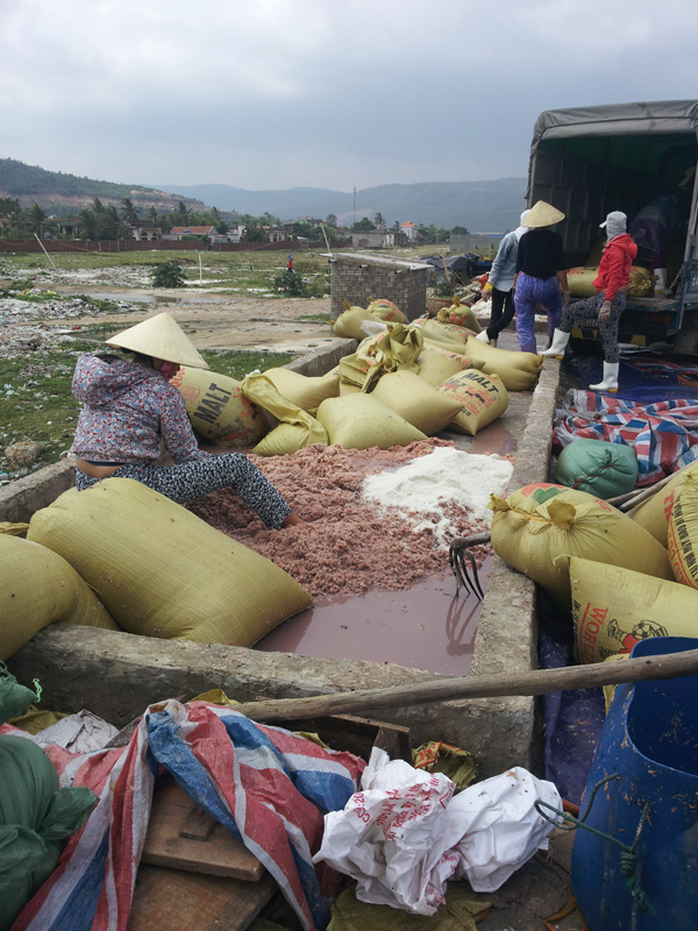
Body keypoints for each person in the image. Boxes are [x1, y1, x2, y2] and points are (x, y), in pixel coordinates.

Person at [70, 312, 302, 529]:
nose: (178, 370)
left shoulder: (108, 379)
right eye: (175, 362)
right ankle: (292, 524)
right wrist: (235, 469)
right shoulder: (163, 393)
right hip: (128, 482)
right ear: (161, 361)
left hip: (83, 479)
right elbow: (186, 456)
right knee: (238, 466)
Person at [541, 211, 638, 393]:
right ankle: (558, 348)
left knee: (608, 337)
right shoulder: (623, 245)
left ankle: (610, 381)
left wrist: (607, 304)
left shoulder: (617, 248)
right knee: (571, 312)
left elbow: (615, 277)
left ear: (612, 228)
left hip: (611, 297)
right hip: (606, 296)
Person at [513, 200, 570, 354]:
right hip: (546, 284)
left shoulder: (525, 238)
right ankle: (553, 344)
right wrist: (566, 291)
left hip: (524, 283)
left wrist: (515, 287)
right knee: (556, 310)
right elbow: (560, 267)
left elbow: (518, 267)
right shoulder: (554, 238)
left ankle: (528, 355)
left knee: (524, 322)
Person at [475, 210, 531, 346]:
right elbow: (498, 262)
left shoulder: (531, 240)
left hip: (517, 284)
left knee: (507, 316)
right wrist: (489, 285)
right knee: (496, 316)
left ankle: (484, 336)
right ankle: (493, 344)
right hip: (500, 282)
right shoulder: (510, 239)